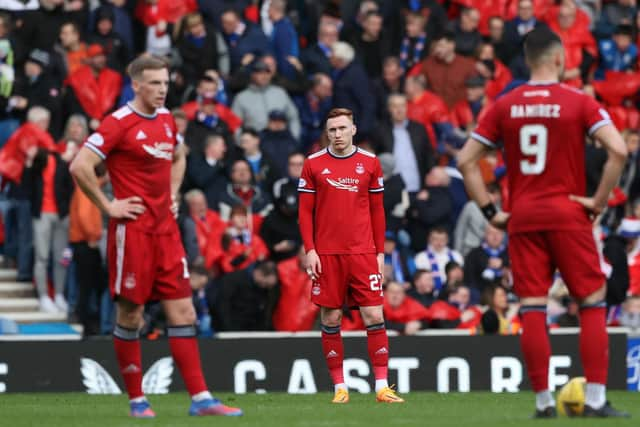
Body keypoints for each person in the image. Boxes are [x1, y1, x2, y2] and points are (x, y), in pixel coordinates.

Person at [457, 27, 629, 418]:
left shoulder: (505, 104)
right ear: (557, 58)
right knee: (591, 301)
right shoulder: (577, 101)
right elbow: (618, 150)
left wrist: (490, 212)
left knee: (532, 307)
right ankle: (597, 401)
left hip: (523, 216)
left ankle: (543, 402)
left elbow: (465, 161)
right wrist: (598, 202)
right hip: (568, 213)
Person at [69, 55, 242, 418]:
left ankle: (201, 399)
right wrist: (108, 207)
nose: (163, 90)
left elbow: (178, 156)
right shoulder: (118, 123)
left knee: (184, 310)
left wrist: (174, 193)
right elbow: (80, 165)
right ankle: (136, 400)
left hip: (166, 230)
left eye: (165, 83)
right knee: (131, 314)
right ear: (137, 85)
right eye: (155, 83)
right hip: (132, 231)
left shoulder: (165, 120)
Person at [298, 108, 404, 404]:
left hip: (362, 253)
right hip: (327, 255)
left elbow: (377, 211)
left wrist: (379, 253)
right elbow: (305, 212)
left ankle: (382, 387)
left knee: (374, 314)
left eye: (343, 128)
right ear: (326, 132)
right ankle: (339, 388)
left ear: (353, 129)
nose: (338, 135)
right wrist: (311, 250)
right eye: (332, 130)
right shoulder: (313, 164)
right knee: (331, 316)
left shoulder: (369, 163)